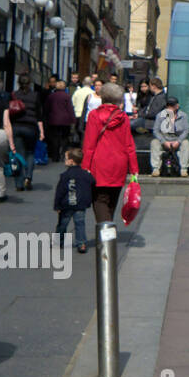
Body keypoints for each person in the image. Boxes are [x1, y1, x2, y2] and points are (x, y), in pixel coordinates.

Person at [82, 83, 138, 227]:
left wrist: (85, 166)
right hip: (119, 163)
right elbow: (129, 145)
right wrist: (134, 169)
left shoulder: (94, 115)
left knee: (100, 199)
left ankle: (106, 235)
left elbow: (89, 144)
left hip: (99, 163)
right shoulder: (123, 117)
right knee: (112, 200)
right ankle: (108, 233)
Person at [54, 146, 96, 255]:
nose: (65, 160)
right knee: (80, 224)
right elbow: (93, 182)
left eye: (66, 158)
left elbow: (60, 191)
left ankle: (59, 242)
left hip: (66, 205)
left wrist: (57, 205)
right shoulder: (85, 174)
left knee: (62, 224)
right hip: (80, 204)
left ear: (71, 161)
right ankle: (81, 243)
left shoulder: (65, 175)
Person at [7, 73, 44, 191]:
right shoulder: (35, 95)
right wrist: (41, 132)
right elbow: (39, 115)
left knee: (18, 154)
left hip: (16, 127)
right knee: (30, 153)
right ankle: (28, 177)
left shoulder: (14, 95)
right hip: (31, 128)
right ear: (30, 83)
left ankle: (19, 183)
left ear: (19, 83)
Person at [151, 97, 189, 177]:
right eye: (168, 106)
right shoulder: (160, 115)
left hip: (177, 139)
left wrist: (178, 141)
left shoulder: (183, 116)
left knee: (186, 143)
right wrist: (163, 141)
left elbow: (187, 130)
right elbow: (156, 130)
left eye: (172, 106)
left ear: (177, 106)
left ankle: (183, 169)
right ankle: (156, 168)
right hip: (165, 139)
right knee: (154, 142)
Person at [43, 78, 76, 163]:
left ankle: (55, 156)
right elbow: (70, 108)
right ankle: (63, 155)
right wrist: (73, 119)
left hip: (53, 120)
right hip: (65, 120)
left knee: (55, 138)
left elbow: (47, 108)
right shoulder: (67, 96)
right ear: (64, 87)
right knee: (64, 138)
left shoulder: (51, 96)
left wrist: (45, 118)